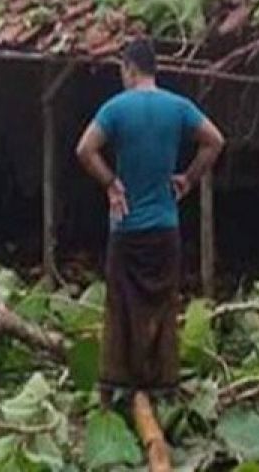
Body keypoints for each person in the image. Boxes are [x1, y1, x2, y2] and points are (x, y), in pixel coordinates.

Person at [76, 37, 225, 403]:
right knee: (162, 303)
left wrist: (111, 183)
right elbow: (215, 141)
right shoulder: (179, 108)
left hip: (126, 226)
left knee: (120, 304)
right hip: (165, 226)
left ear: (129, 68)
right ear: (154, 68)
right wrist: (188, 178)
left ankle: (114, 386)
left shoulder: (115, 108)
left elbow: (84, 149)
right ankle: (164, 386)